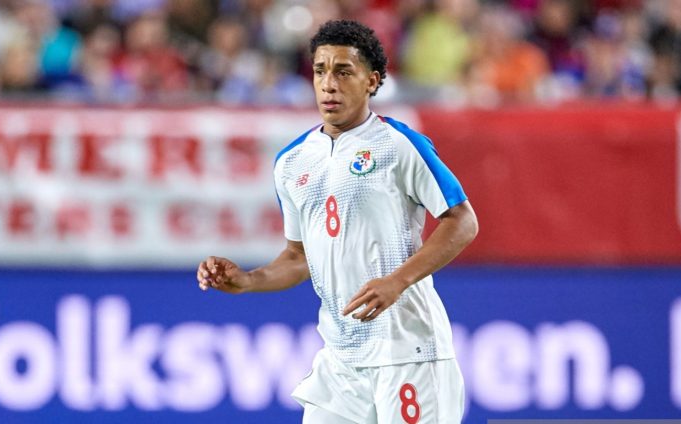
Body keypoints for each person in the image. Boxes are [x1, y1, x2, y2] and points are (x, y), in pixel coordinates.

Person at [196, 19, 478, 424]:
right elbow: (299, 257)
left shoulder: (399, 144)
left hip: (408, 350)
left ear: (372, 81)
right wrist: (247, 280)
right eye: (320, 71)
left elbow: (462, 220)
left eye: (343, 72)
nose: (329, 84)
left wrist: (397, 281)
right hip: (341, 360)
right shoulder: (292, 162)